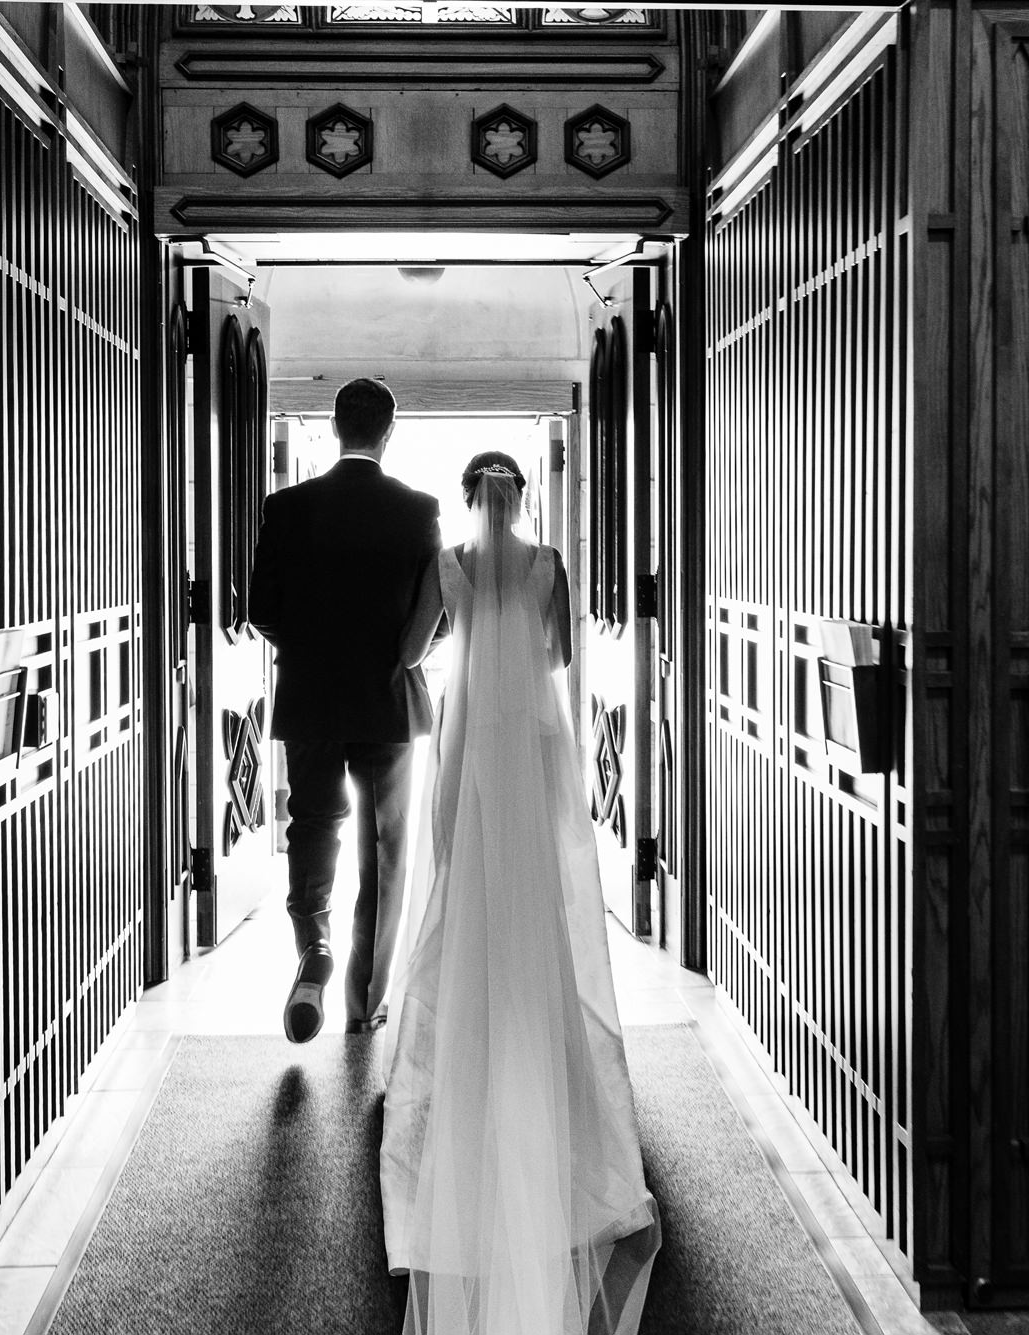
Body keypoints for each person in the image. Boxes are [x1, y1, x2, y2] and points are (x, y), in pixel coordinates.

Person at [379, 451, 660, 1335]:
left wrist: (442, 651)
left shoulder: (452, 567)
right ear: (522, 499)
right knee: (536, 898)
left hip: (470, 743)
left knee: (462, 893)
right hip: (531, 739)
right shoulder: (547, 565)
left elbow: (416, 645)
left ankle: (476, 1031)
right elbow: (562, 651)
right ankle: (541, 1044)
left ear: (470, 500)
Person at [248, 378, 442, 1042]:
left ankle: (314, 945)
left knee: (312, 824)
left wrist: (309, 646)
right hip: (388, 700)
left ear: (335, 428)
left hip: (309, 696)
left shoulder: (287, 506)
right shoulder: (418, 511)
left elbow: (261, 611)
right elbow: (432, 618)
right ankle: (364, 1002)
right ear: (388, 433)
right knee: (384, 848)